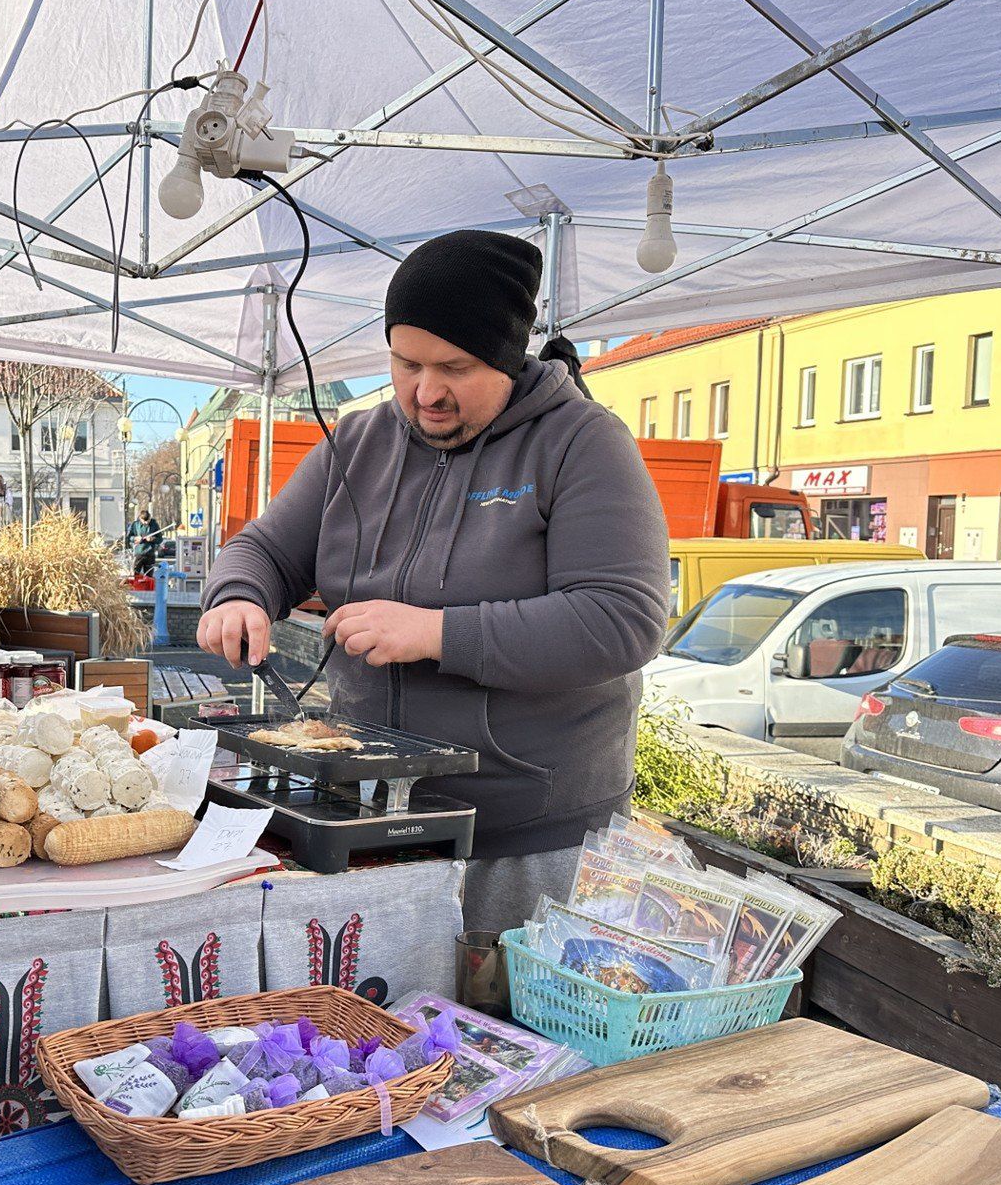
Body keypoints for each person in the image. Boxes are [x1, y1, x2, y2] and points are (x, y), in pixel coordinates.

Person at [198, 229, 670, 933]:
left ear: (507, 358)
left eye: (455, 367)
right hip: (367, 812)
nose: (426, 392)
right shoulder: (356, 442)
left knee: (501, 1003)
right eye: (406, 363)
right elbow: (264, 549)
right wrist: (239, 595)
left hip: (528, 838)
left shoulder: (582, 443)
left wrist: (437, 633)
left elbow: (621, 619)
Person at [128, 508, 165, 575]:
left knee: (149, 576)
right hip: (138, 554)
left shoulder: (154, 525)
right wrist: (135, 538)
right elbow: (129, 537)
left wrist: (152, 539)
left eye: (148, 520)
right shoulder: (135, 525)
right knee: (135, 575)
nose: (146, 523)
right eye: (144, 521)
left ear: (150, 518)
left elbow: (160, 539)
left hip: (150, 554)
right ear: (140, 518)